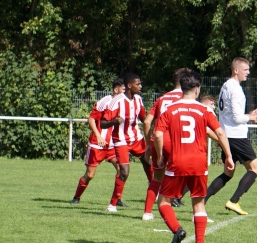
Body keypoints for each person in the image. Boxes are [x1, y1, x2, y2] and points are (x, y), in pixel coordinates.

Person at [154, 71, 235, 243]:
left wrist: (160, 156)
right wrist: (228, 156)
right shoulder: (204, 110)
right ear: (197, 90)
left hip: (177, 161)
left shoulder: (170, 109)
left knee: (163, 202)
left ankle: (177, 229)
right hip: (199, 163)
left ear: (182, 88)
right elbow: (220, 133)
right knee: (198, 203)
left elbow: (158, 133)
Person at [205, 57, 257, 215]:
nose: (248, 73)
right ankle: (234, 201)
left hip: (227, 135)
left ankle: (202, 201)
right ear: (236, 70)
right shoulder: (236, 89)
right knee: (254, 169)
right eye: (245, 70)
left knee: (228, 172)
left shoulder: (225, 85)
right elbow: (236, 118)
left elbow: (229, 114)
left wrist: (249, 115)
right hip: (237, 136)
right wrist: (250, 117)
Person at [142, 69, 188, 220]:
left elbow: (147, 121)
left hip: (158, 139)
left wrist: (149, 144)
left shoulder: (162, 98)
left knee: (157, 178)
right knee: (192, 174)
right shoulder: (185, 97)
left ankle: (147, 212)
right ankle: (198, 213)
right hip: (176, 140)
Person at [72, 78, 125, 204]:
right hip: (97, 144)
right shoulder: (104, 102)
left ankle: (117, 199)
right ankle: (76, 197)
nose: (125, 93)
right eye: (123, 90)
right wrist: (99, 136)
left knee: (122, 170)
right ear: (116, 89)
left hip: (112, 144)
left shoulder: (124, 103)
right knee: (89, 175)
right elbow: (91, 119)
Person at [105, 73, 151, 212]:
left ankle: (154, 187)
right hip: (121, 140)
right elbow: (102, 123)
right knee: (124, 172)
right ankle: (112, 204)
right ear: (129, 85)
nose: (140, 86)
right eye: (138, 84)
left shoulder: (138, 99)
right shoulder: (117, 101)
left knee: (148, 161)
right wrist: (114, 121)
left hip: (136, 138)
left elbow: (143, 118)